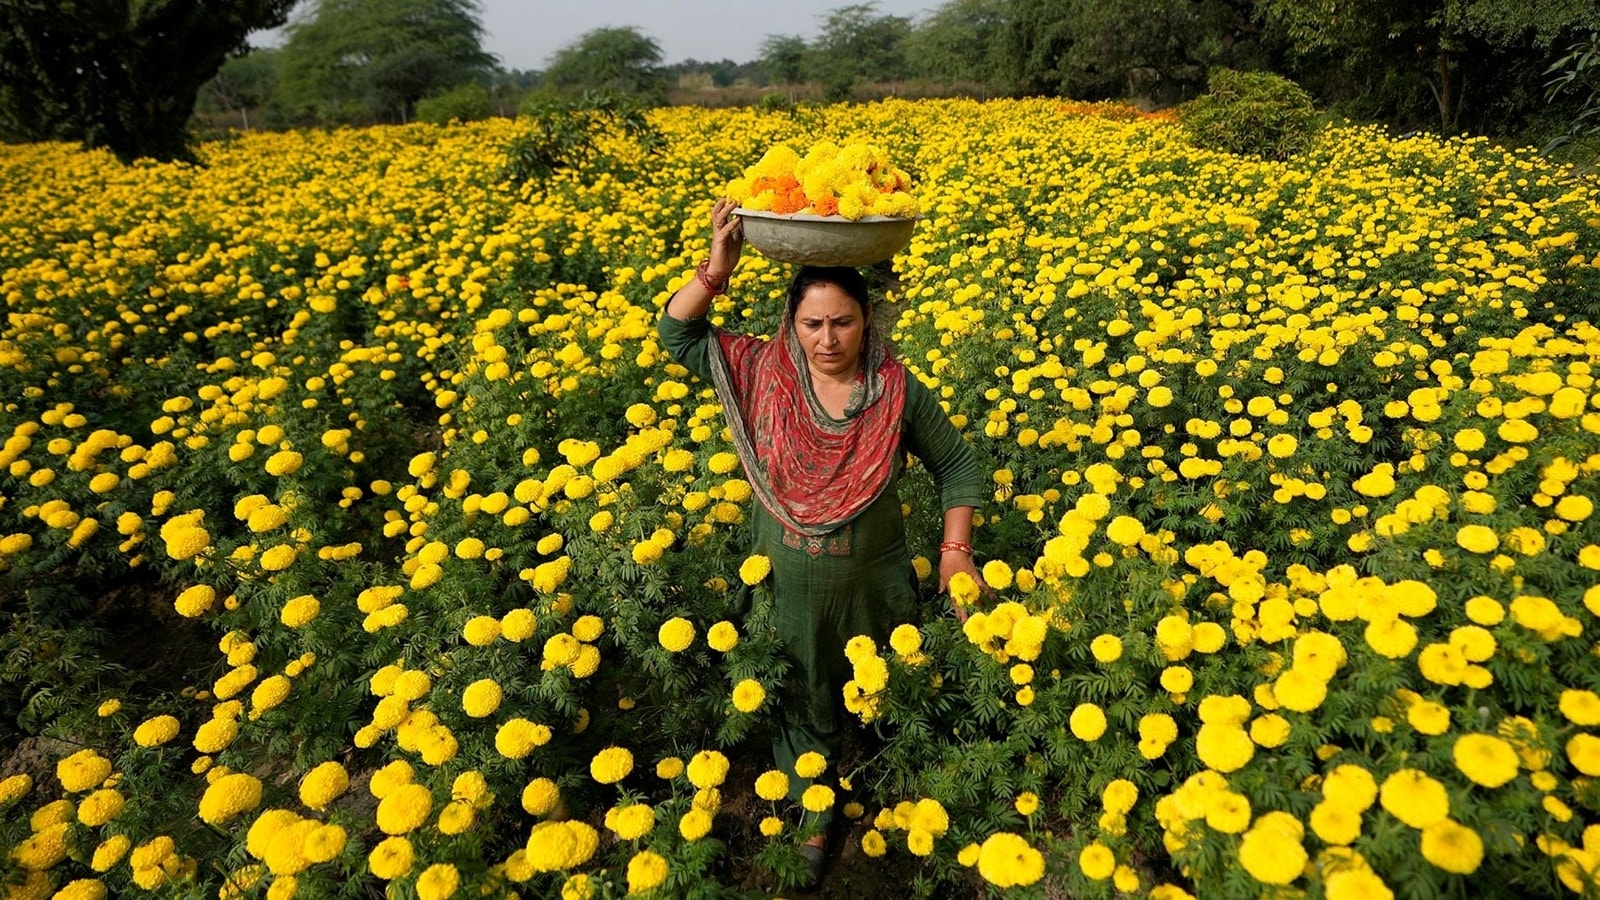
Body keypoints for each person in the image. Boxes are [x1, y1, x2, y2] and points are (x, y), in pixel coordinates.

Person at [657, 197, 986, 887]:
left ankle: (901, 780)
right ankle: (815, 807)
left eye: (843, 322)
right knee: (803, 693)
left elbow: (957, 465)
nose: (827, 338)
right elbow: (679, 335)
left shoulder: (894, 390)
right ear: (791, 322)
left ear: (868, 322)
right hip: (791, 587)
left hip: (876, 586)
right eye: (812, 323)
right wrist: (716, 270)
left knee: (889, 695)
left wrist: (957, 556)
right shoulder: (761, 372)